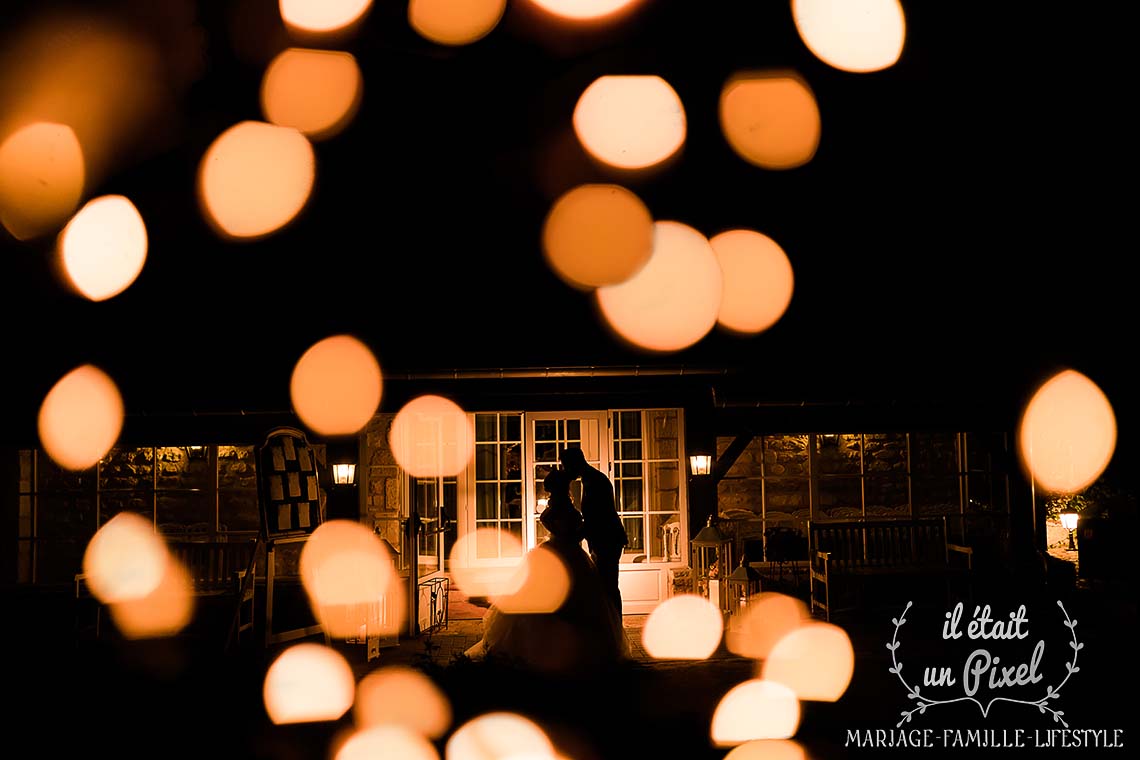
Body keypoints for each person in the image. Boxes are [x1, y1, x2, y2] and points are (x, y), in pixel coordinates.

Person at [464, 467, 629, 673]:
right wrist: (575, 532)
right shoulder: (564, 505)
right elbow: (563, 527)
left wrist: (565, 531)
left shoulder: (558, 504)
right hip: (566, 551)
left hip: (559, 549)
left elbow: (548, 520)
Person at [559, 446, 628, 617]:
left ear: (575, 463)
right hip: (603, 539)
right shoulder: (590, 479)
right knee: (606, 585)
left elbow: (597, 518)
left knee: (609, 586)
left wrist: (572, 538)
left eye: (566, 466)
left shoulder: (595, 482)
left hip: (608, 540)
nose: (566, 470)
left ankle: (615, 628)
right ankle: (612, 626)